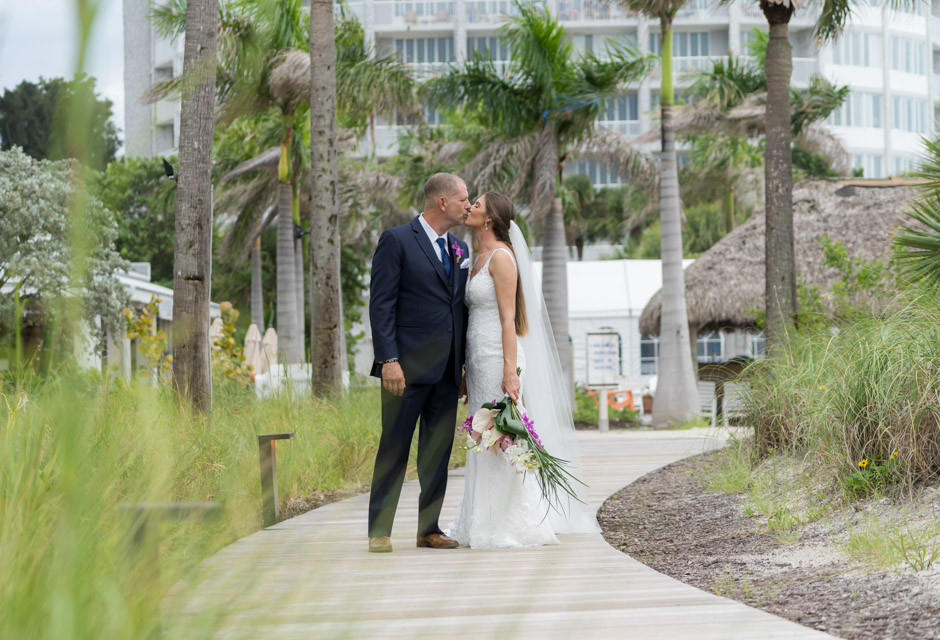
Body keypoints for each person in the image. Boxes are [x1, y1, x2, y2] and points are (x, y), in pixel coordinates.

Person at [449, 192, 599, 549]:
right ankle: (480, 517)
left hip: (500, 355)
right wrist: (468, 370)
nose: (469, 207)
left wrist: (510, 370)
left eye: (478, 205)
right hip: (478, 357)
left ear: (489, 220)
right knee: (482, 436)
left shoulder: (502, 258)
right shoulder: (476, 257)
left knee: (503, 435)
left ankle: (514, 521)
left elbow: (507, 319)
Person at [366, 173, 471, 553]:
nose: (468, 205)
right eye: (463, 198)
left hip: (446, 371)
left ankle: (429, 528)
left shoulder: (459, 248)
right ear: (442, 202)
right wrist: (388, 360)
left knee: (437, 452)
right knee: (393, 448)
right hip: (403, 371)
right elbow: (381, 306)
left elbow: (459, 310)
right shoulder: (396, 240)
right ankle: (379, 530)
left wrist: (463, 368)